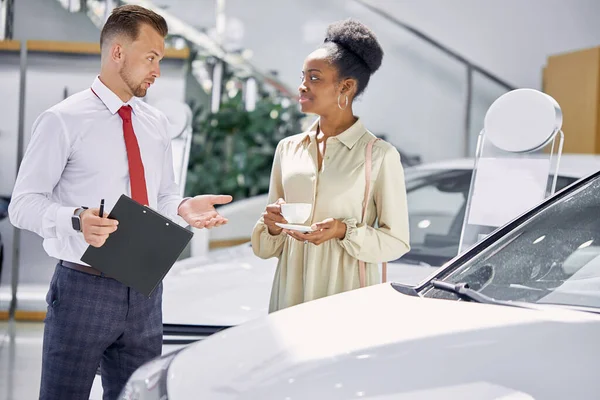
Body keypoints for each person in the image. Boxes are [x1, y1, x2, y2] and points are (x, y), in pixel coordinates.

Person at [8, 5, 232, 399]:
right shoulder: (63, 120)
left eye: (160, 59)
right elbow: (23, 204)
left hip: (145, 289)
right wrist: (75, 219)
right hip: (83, 288)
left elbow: (161, 196)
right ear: (117, 54)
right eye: (150, 58)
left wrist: (181, 208)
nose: (157, 70)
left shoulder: (155, 124)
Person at [251, 19, 410, 313]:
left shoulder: (379, 155)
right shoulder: (288, 149)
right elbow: (266, 248)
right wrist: (271, 226)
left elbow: (396, 242)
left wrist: (342, 231)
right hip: (289, 294)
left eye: (314, 78)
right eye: (303, 76)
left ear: (346, 86)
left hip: (347, 297)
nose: (302, 85)